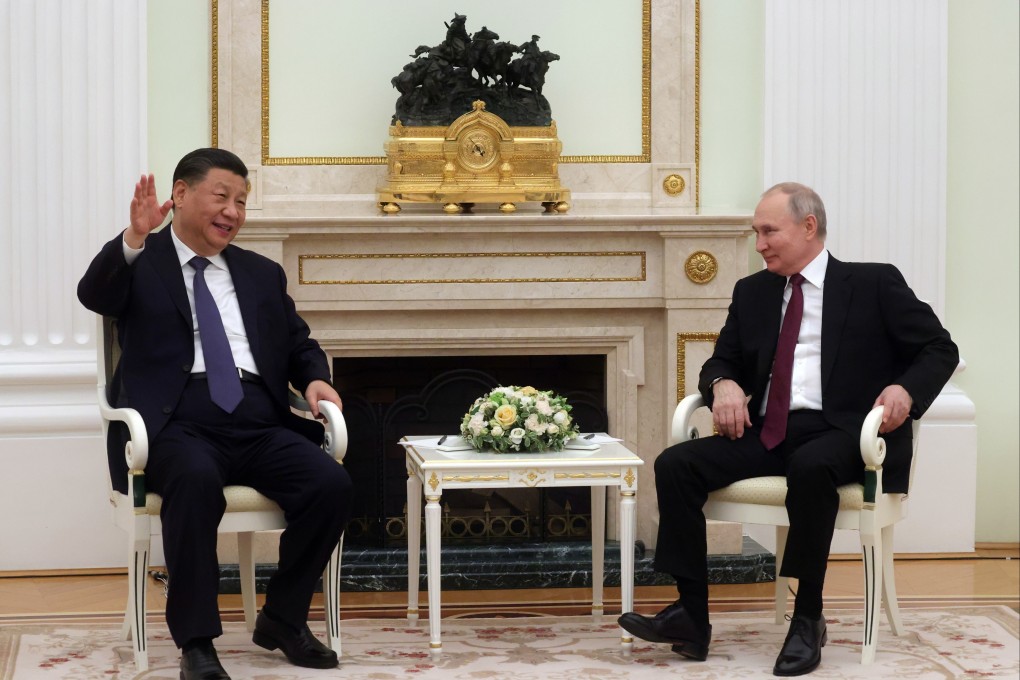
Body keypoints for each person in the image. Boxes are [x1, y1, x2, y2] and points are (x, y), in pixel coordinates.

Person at [618, 182, 959, 676]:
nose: (759, 244)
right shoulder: (753, 291)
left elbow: (939, 348)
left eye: (768, 231)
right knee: (676, 464)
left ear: (808, 226)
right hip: (769, 431)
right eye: (756, 233)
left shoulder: (873, 284)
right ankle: (690, 615)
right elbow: (720, 360)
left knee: (811, 465)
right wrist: (722, 384)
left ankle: (807, 618)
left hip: (845, 432)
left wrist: (905, 390)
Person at [78, 148, 353, 680]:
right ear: (180, 194)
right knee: (195, 481)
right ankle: (197, 642)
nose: (233, 211)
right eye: (222, 196)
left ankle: (282, 619)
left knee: (331, 485)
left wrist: (314, 378)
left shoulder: (260, 273)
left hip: (258, 421)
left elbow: (298, 343)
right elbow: (95, 295)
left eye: (242, 201)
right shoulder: (142, 262)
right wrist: (133, 237)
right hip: (174, 424)